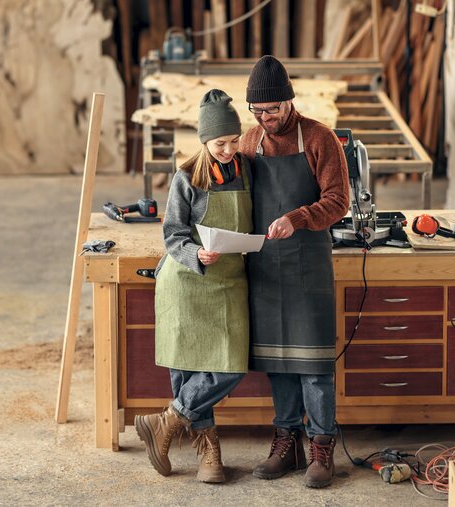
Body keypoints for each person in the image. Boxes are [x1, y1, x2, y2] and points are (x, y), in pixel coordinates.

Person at [239, 55, 350, 488]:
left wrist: (298, 217)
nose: (266, 119)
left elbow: (338, 201)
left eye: (272, 110)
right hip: (264, 265)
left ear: (290, 101)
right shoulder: (249, 143)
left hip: (308, 265)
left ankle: (322, 447)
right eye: (258, 112)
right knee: (278, 362)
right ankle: (286, 440)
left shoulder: (321, 139)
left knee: (315, 364)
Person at [134, 89, 252, 484]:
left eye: (234, 141)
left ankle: (167, 420)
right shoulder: (185, 177)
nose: (229, 150)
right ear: (204, 141)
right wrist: (194, 255)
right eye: (221, 143)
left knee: (231, 364)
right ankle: (208, 452)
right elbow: (172, 234)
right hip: (186, 282)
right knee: (186, 372)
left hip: (229, 282)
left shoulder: (247, 170)